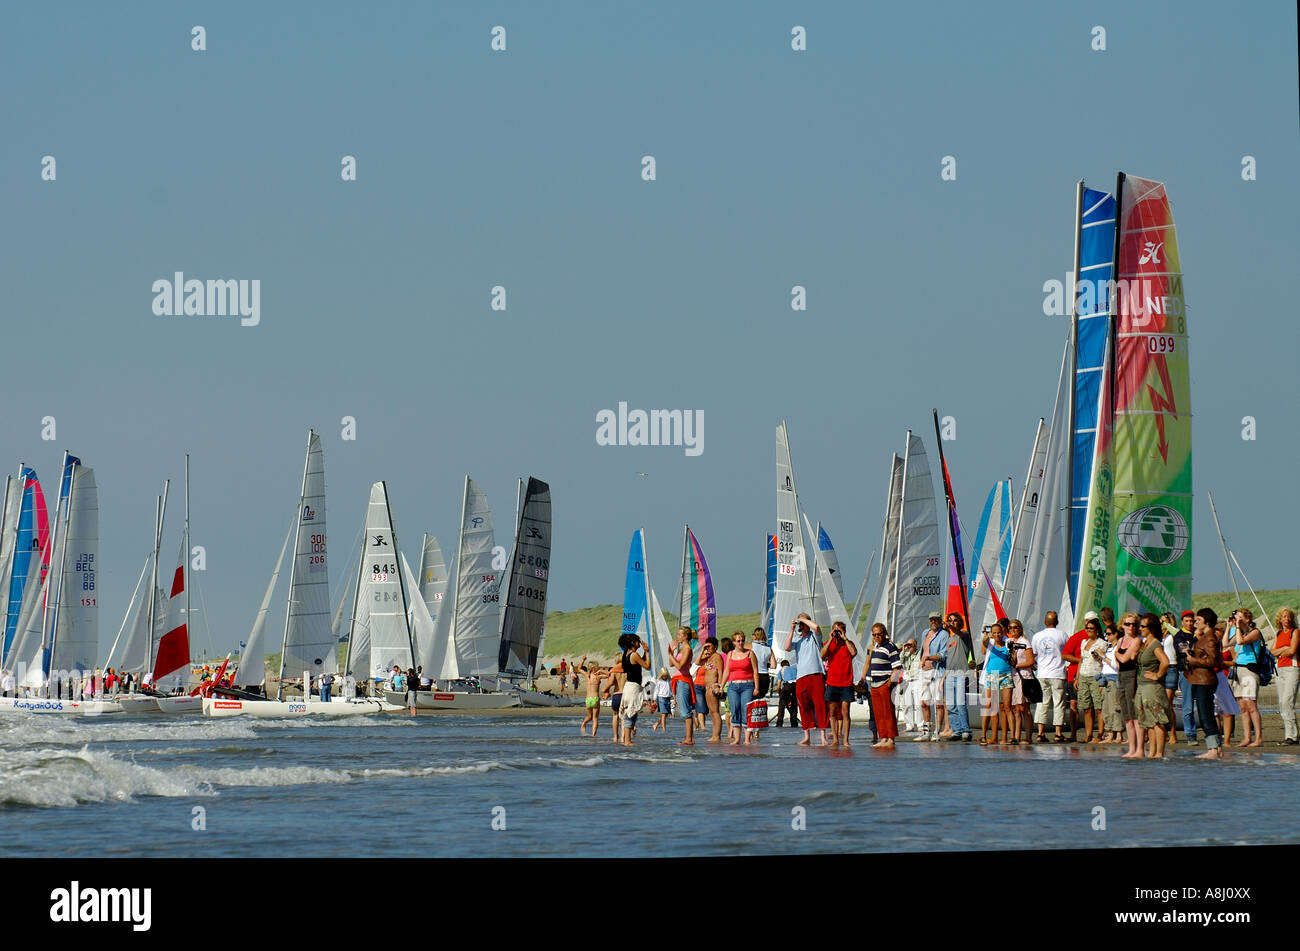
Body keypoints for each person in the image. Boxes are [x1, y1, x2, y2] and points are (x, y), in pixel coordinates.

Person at [1186, 608, 1226, 759]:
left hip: (1205, 680)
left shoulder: (1210, 638)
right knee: (1206, 714)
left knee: (1206, 715)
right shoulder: (1204, 637)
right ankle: (1217, 748)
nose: (1195, 622)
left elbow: (1212, 660)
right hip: (1200, 678)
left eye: (1198, 620)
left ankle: (1213, 749)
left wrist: (1193, 660)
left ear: (1207, 622)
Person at [783, 613, 829, 746]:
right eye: (801, 624)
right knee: (804, 705)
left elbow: (817, 627)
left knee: (820, 705)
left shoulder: (814, 636)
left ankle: (823, 736)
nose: (801, 626)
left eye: (803, 623)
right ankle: (807, 735)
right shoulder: (798, 640)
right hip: (801, 676)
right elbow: (786, 647)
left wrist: (803, 619)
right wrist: (792, 629)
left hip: (816, 674)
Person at [1133, 613, 1171, 759]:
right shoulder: (1145, 643)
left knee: (1158, 720)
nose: (1140, 628)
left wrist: (1158, 675)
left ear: (1151, 628)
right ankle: (1152, 752)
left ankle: (1159, 753)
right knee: (1149, 721)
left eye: (1143, 626)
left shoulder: (1155, 643)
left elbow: (1165, 662)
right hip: (1143, 686)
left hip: (1153, 687)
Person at [1228, 608, 1264, 747]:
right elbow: (1225, 643)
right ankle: (1247, 737)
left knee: (1251, 705)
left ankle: (1258, 738)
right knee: (1242, 706)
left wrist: (1237, 626)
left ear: (1247, 619)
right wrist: (1229, 627)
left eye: (1240, 617)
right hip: (1238, 669)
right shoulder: (1239, 632)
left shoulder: (1255, 632)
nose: (1238, 619)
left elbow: (1241, 642)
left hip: (1249, 670)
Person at [820, 621, 858, 749]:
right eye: (835, 630)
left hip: (846, 682)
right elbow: (822, 655)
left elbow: (853, 653)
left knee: (845, 712)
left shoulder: (848, 644)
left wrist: (845, 638)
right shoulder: (829, 644)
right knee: (832, 712)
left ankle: (846, 739)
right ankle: (836, 739)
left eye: (839, 631)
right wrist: (830, 639)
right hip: (832, 682)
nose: (837, 633)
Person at [1031, 612, 1069, 742]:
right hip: (1058, 673)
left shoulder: (1037, 636)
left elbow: (1034, 653)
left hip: (1042, 673)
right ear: (1057, 621)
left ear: (1045, 622)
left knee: (1042, 703)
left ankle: (1040, 733)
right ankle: (1058, 733)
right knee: (1058, 703)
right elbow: (1067, 651)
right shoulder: (1062, 635)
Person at [863, 623, 901, 748]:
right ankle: (883, 737)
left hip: (885, 684)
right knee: (878, 714)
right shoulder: (875, 647)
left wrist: (889, 683)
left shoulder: (890, 647)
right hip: (874, 684)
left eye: (879, 634)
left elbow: (897, 667)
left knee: (888, 712)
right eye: (874, 635)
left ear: (884, 633)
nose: (877, 636)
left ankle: (891, 738)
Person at [1061, 612, 1096, 741]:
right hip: (1075, 675)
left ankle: (1089, 735)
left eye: (1093, 622)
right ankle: (1073, 734)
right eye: (1088, 622)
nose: (1090, 625)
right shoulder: (1077, 637)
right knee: (1073, 705)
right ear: (1085, 622)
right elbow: (1065, 655)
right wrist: (1081, 660)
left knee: (1090, 706)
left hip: (1092, 674)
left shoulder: (1101, 638)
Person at [722, 631, 761, 745]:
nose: (740, 643)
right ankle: (737, 739)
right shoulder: (730, 654)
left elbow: (755, 671)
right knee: (735, 710)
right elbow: (726, 671)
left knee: (746, 710)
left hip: (747, 685)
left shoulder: (750, 653)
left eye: (742, 640)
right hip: (733, 685)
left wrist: (756, 687)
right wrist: (721, 685)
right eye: (738, 641)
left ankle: (747, 739)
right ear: (733, 642)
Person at [980, 621, 1014, 745]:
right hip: (992, 674)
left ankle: (1011, 737)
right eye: (994, 633)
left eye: (999, 632)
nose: (997, 635)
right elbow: (983, 647)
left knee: (1007, 706)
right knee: (990, 705)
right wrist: (986, 635)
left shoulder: (1008, 642)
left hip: (1006, 675)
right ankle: (984, 735)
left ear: (1003, 632)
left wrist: (1012, 653)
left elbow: (1013, 658)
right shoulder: (990, 642)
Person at [916, 612, 948, 741]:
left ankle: (937, 732)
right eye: (931, 620)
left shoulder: (944, 635)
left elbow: (943, 654)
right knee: (924, 702)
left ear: (940, 620)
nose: (933, 622)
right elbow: (923, 651)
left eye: (936, 619)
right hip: (924, 672)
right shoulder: (925, 633)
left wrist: (929, 657)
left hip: (937, 671)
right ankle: (926, 732)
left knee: (938, 703)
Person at [1074, 616, 1106, 742]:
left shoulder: (1102, 643)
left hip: (1095, 675)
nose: (1089, 631)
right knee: (1086, 707)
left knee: (1098, 707)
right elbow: (1081, 660)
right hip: (1083, 675)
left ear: (1097, 630)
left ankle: (1100, 734)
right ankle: (1088, 734)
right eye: (1087, 628)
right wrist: (1077, 678)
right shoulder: (1084, 642)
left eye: (1091, 629)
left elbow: (1103, 660)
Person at [942, 613, 973, 742]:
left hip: (961, 673)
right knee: (950, 705)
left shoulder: (964, 635)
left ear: (959, 622)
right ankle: (956, 730)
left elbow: (957, 632)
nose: (952, 622)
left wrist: (950, 626)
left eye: (955, 620)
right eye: (950, 620)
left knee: (960, 703)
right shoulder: (949, 640)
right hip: (949, 674)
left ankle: (966, 730)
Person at [1271, 608, 1299, 744]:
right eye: (1284, 617)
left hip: (1292, 668)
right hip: (1280, 669)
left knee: (1287, 701)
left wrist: (1281, 651)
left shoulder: (1295, 632)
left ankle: (1292, 735)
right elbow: (1272, 651)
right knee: (1282, 703)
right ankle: (1290, 733)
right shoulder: (1278, 633)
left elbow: (1293, 650)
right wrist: (1282, 650)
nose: (1287, 619)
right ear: (1280, 619)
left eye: (1289, 617)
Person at [1116, 613, 1142, 756]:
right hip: (1121, 676)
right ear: (1122, 625)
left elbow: (1124, 659)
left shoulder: (1136, 640)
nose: (1130, 627)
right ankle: (1131, 748)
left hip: (1132, 676)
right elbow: (1120, 661)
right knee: (1127, 716)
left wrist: (1116, 654)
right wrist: (1118, 655)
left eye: (1133, 624)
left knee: (1134, 715)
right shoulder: (1120, 640)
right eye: (1127, 624)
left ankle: (1138, 748)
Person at [1006, 620, 1036, 745]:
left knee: (1024, 708)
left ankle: (1028, 737)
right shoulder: (1009, 642)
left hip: (1024, 676)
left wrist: (1017, 665)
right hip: (1012, 676)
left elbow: (1031, 661)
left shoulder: (1025, 642)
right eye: (1010, 628)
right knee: (1015, 708)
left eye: (1015, 627)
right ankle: (1016, 736)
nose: (1013, 630)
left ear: (1020, 628)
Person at [618, 635, 651, 746]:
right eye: (638, 641)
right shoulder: (634, 655)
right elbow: (647, 666)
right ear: (633, 642)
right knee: (631, 713)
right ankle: (627, 740)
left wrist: (644, 653)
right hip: (633, 687)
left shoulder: (626, 654)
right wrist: (647, 652)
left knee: (632, 713)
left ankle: (628, 739)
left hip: (629, 686)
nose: (640, 643)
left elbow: (638, 663)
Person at [1171, 610, 1198, 743]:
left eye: (1191, 621)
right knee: (1187, 705)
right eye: (1187, 621)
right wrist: (1195, 642)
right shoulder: (1179, 636)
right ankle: (1190, 734)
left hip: (1200, 672)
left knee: (1204, 703)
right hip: (1186, 672)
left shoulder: (1198, 633)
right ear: (1182, 621)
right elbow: (1186, 651)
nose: (1189, 623)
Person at [669, 628, 695, 745]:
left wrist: (671, 654)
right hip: (679, 680)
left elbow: (679, 666)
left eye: (680, 634)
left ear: (685, 636)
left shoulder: (688, 649)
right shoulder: (682, 649)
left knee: (685, 710)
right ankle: (688, 737)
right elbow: (671, 663)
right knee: (683, 709)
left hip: (684, 680)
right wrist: (672, 653)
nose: (677, 636)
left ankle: (689, 738)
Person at [896, 637, 921, 733]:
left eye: (911, 645)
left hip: (917, 679)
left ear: (915, 645)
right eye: (908, 644)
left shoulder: (919, 654)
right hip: (907, 680)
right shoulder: (905, 655)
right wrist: (903, 650)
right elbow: (900, 662)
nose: (909, 647)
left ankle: (920, 725)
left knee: (918, 704)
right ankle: (909, 725)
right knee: (907, 704)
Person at [578, 656, 603, 737]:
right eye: (598, 667)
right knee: (595, 718)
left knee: (589, 716)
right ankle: (593, 735)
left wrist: (583, 660)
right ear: (595, 668)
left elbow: (579, 669)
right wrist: (602, 671)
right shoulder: (598, 676)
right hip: (595, 699)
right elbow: (609, 675)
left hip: (588, 699)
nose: (599, 668)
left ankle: (583, 723)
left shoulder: (587, 675)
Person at [751, 628, 773, 701]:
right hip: (765, 676)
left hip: (754, 675)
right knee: (759, 701)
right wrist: (766, 664)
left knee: (750, 701)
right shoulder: (768, 648)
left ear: (755, 636)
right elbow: (773, 665)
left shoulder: (750, 646)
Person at [775, 660, 799, 728]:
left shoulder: (781, 670)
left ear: (782, 665)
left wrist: (780, 693)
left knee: (782, 705)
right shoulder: (795, 669)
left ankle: (779, 723)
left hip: (787, 686)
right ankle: (794, 723)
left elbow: (779, 685)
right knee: (794, 705)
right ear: (788, 664)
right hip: (795, 686)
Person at [652, 668, 672, 732]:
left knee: (666, 714)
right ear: (661, 675)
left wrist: (673, 696)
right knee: (663, 714)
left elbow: (671, 689)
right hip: (661, 698)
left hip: (668, 698)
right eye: (663, 676)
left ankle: (656, 724)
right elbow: (656, 690)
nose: (664, 677)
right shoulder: (659, 681)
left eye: (666, 676)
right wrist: (654, 699)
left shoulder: (669, 680)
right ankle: (664, 729)